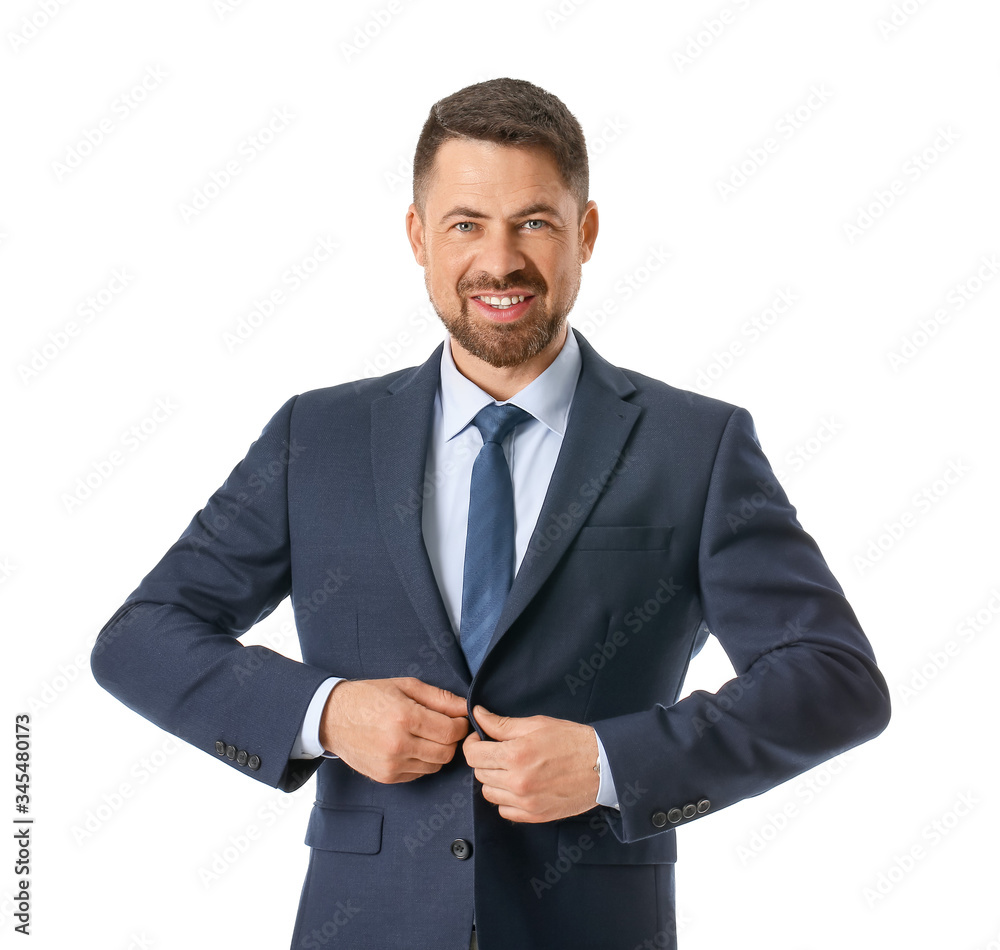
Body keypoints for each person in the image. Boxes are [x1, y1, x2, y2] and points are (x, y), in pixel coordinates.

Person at [91, 77, 891, 950]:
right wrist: (326, 713)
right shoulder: (315, 436)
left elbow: (833, 679)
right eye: (466, 223)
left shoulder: (695, 445)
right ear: (418, 238)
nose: (499, 261)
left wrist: (612, 763)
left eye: (535, 222)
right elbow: (141, 637)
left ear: (585, 233)